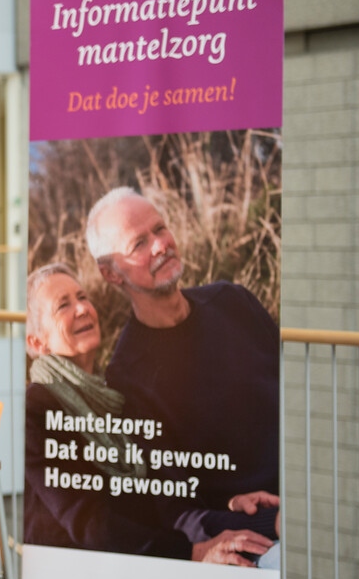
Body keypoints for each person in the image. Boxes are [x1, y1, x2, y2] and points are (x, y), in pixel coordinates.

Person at [23, 263, 275, 565]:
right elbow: (89, 522)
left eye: (83, 297)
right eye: (63, 305)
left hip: (138, 564)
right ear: (37, 343)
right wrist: (192, 554)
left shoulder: (113, 397)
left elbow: (157, 487)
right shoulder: (36, 409)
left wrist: (230, 504)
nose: (82, 309)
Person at [85, 187, 281, 547]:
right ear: (111, 274)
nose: (160, 245)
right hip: (259, 537)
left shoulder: (235, 302)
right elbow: (177, 511)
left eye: (160, 229)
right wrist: (277, 523)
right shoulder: (127, 379)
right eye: (139, 244)